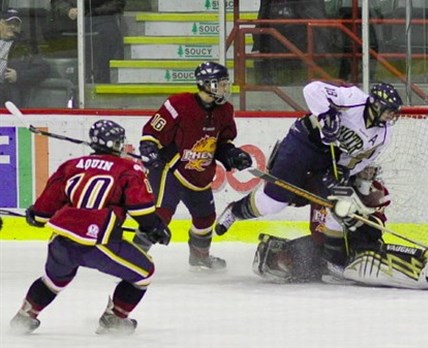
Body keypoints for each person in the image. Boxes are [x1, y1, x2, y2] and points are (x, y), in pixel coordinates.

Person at [214, 80, 403, 278]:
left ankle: (333, 261)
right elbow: (312, 89)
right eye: (389, 111)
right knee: (272, 202)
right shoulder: (353, 98)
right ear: (376, 105)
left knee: (340, 204)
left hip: (330, 158)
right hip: (303, 142)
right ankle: (234, 211)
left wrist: (342, 170)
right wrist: (326, 114)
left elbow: (362, 158)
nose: (391, 116)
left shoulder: (383, 135)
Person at [9, 120, 171, 335]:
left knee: (52, 281)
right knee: (145, 272)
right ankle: (114, 319)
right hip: (97, 243)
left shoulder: (71, 165)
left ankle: (24, 317)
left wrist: (35, 216)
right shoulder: (130, 168)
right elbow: (140, 209)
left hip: (61, 239)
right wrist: (156, 227)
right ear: (117, 144)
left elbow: (43, 211)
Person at [251, 165, 428, 289]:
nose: (369, 174)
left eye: (372, 170)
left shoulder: (376, 191)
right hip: (320, 246)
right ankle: (331, 266)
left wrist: (354, 220)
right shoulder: (323, 184)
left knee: (363, 255)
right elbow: (290, 197)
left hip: (357, 246)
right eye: (364, 170)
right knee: (274, 259)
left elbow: (375, 230)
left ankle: (341, 266)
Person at [133, 61, 252, 271]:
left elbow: (222, 143)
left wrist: (233, 154)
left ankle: (199, 256)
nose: (225, 88)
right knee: (160, 215)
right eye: (221, 83)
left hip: (199, 173)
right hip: (170, 169)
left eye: (226, 83)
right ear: (207, 84)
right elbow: (152, 132)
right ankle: (132, 258)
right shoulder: (178, 104)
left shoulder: (225, 110)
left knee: (205, 218)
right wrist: (149, 147)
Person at [50, 0, 126, 83]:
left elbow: (117, 3)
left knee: (109, 35)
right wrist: (68, 10)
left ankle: (102, 77)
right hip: (72, 24)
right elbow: (57, 2)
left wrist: (95, 13)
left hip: (102, 19)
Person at [0, 9, 51, 107]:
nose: (12, 27)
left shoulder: (26, 46)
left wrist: (19, 76)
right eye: (8, 23)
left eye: (16, 24)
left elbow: (44, 69)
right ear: (0, 24)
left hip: (7, 96)